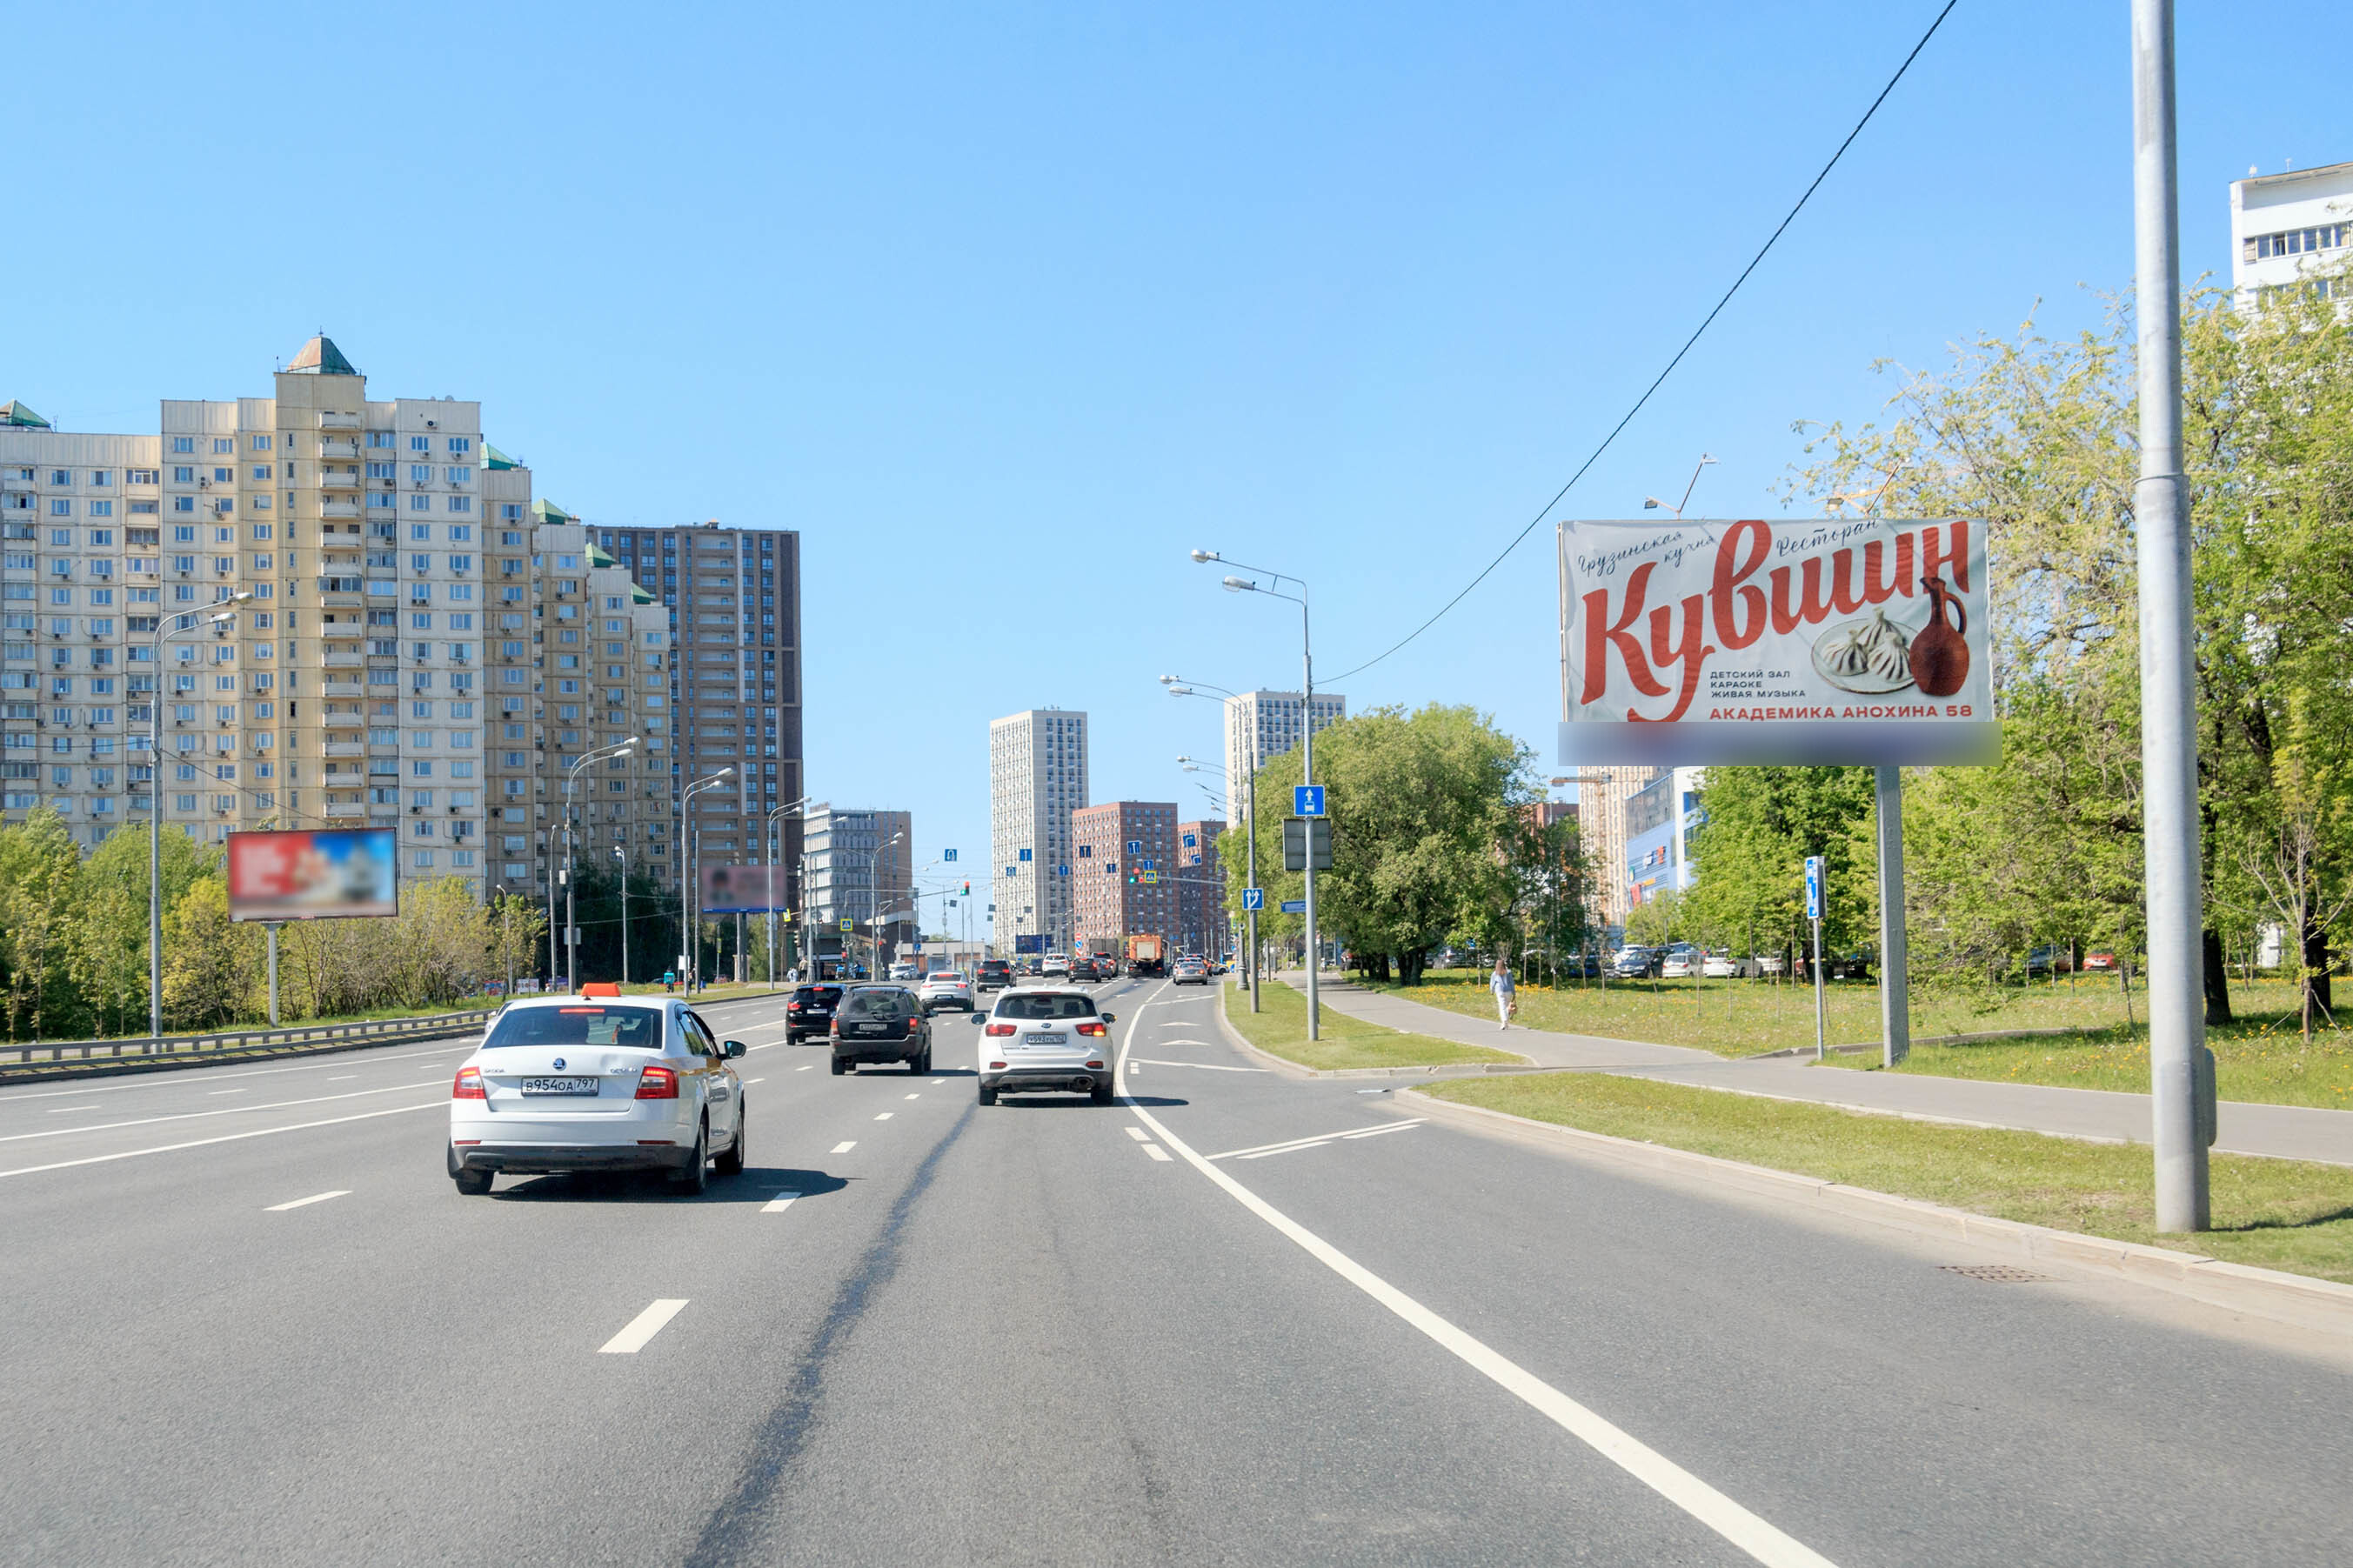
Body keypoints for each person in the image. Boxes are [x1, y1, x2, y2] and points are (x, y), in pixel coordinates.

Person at [1490, 956, 1516, 1029]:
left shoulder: (1495, 973)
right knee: (1507, 1007)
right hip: (1508, 991)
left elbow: (1492, 983)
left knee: (1502, 1007)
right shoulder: (1509, 972)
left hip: (1499, 991)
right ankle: (1505, 1022)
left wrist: (1492, 991)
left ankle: (1504, 1022)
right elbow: (1511, 983)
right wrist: (1514, 992)